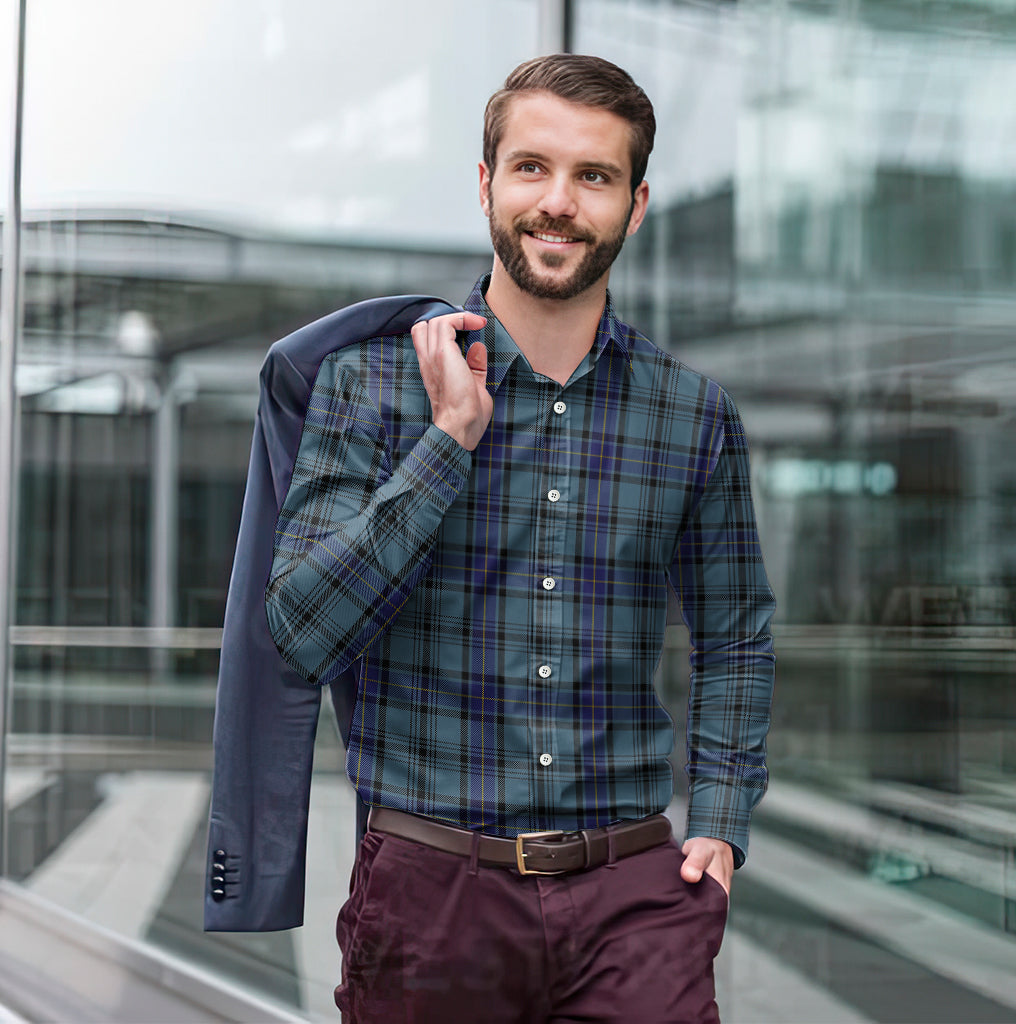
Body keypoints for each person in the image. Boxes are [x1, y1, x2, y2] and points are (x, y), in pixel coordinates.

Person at [265, 53, 775, 1023]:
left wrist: (719, 815)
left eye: (595, 176)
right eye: (533, 167)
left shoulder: (691, 415)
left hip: (634, 899)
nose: (559, 202)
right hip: (431, 896)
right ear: (486, 182)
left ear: (636, 203)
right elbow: (300, 630)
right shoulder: (369, 387)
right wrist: (448, 440)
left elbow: (735, 632)